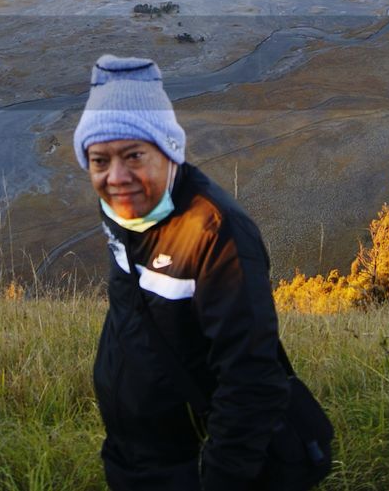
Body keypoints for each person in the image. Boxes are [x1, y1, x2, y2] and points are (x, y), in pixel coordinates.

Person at [73, 54, 294, 490]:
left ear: (168, 149)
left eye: (133, 155)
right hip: (132, 455)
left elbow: (252, 383)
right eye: (99, 160)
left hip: (190, 466)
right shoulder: (126, 214)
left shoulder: (217, 234)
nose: (116, 176)